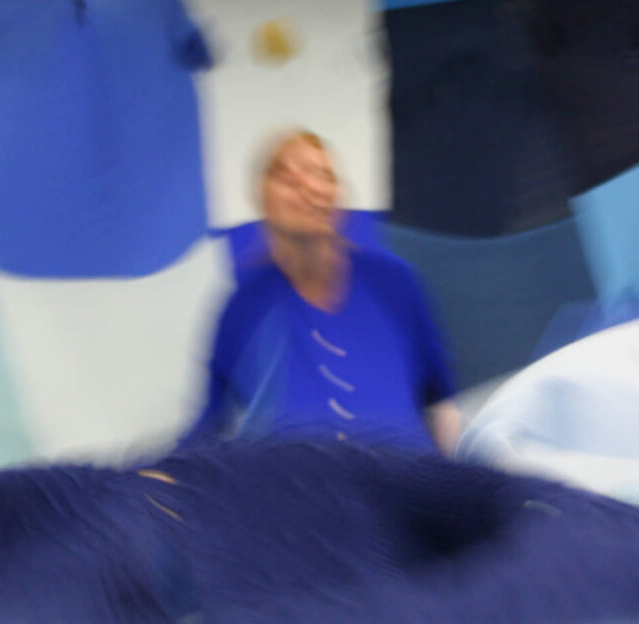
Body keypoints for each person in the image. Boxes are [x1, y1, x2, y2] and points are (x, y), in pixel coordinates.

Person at [188, 130, 461, 452]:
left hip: (407, 492)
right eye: (286, 176)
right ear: (263, 198)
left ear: (336, 196)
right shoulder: (244, 308)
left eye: (320, 174)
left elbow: (441, 402)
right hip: (301, 495)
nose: (306, 186)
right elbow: (207, 431)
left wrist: (454, 484)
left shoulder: (395, 283)